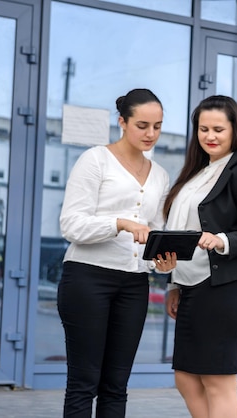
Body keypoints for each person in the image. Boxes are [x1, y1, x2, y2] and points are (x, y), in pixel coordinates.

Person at [57, 88, 175, 417]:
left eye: (158, 126)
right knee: (84, 382)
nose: (151, 134)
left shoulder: (161, 175)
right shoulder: (95, 159)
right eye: (142, 125)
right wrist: (120, 223)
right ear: (122, 122)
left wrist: (163, 262)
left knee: (116, 385)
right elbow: (71, 225)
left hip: (134, 283)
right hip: (87, 278)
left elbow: (155, 232)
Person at [163, 95, 237, 418]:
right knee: (185, 378)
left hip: (224, 288)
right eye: (203, 129)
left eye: (218, 129)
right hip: (192, 287)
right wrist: (174, 284)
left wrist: (222, 240)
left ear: (234, 131)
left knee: (217, 381)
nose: (209, 136)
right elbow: (181, 230)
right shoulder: (197, 172)